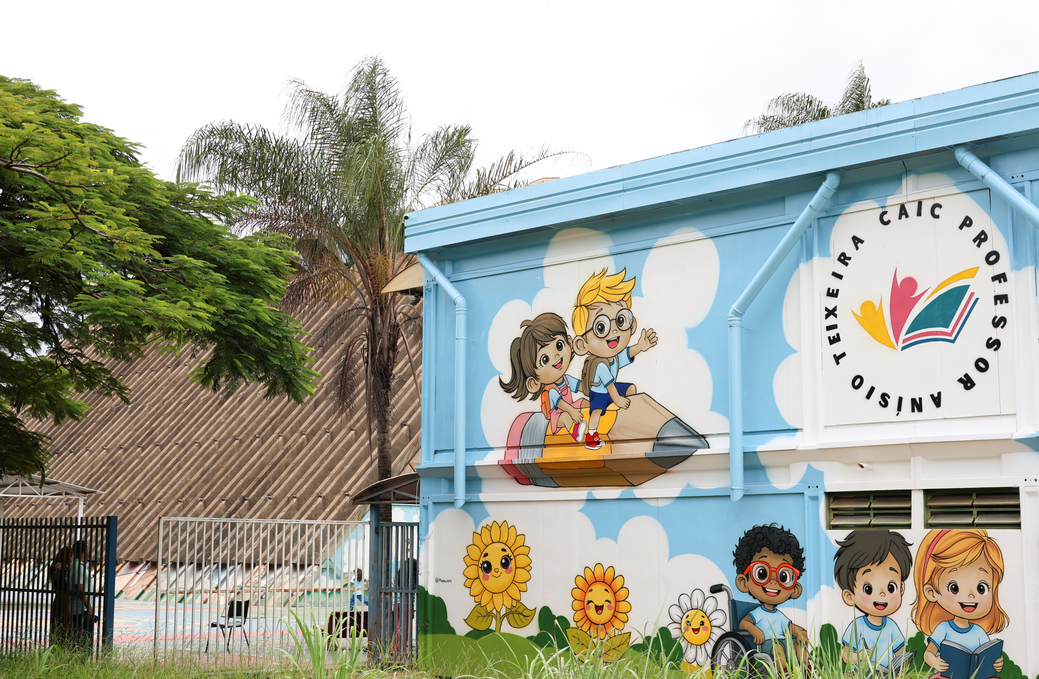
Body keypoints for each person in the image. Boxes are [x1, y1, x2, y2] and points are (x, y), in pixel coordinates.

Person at [572, 268, 657, 450]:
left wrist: (640, 347)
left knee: (631, 389)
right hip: (599, 392)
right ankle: (591, 436)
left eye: (620, 320)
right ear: (582, 344)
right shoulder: (600, 364)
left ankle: (630, 424)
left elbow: (626, 354)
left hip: (610, 390)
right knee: (596, 411)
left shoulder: (613, 358)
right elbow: (610, 386)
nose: (614, 330)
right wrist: (617, 400)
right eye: (601, 327)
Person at [911, 529, 1008, 677]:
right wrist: (935, 662)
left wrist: (996, 662)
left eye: (981, 588)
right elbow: (928, 653)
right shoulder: (943, 628)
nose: (971, 595)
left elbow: (985, 656)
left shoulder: (979, 632)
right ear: (932, 592)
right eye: (954, 588)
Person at [834, 530, 915, 674]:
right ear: (849, 596)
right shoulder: (857, 626)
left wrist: (903, 664)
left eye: (891, 587)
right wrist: (860, 656)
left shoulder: (891, 626)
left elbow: (900, 652)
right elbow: (846, 656)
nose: (882, 594)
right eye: (868, 589)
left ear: (901, 588)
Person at [500, 312, 587, 443]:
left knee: (584, 402)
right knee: (565, 417)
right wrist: (572, 411)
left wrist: (594, 390)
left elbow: (580, 386)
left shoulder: (566, 379)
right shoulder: (550, 390)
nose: (556, 356)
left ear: (569, 342)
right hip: (558, 415)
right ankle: (575, 433)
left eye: (559, 345)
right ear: (533, 382)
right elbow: (561, 404)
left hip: (572, 406)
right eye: (545, 359)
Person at [733, 524, 809, 666]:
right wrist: (754, 630)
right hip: (766, 644)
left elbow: (789, 627)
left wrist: (799, 633)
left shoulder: (780, 615)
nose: (773, 581)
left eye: (783, 576)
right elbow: (744, 623)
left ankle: (806, 670)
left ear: (795, 589)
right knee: (778, 648)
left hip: (784, 641)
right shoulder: (757, 613)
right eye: (762, 573)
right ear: (743, 582)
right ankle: (783, 672)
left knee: (800, 645)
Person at [67, 540, 95, 652]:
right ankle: (82, 660)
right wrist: (89, 607)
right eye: (88, 550)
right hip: (81, 609)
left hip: (82, 609)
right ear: (83, 551)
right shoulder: (77, 567)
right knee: (84, 641)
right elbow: (80, 589)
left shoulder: (79, 566)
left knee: (82, 640)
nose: (89, 552)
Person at [48, 546, 74, 646]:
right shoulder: (64, 570)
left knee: (57, 624)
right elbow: (68, 584)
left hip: (58, 598)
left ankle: (56, 645)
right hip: (65, 599)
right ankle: (64, 645)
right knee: (66, 624)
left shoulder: (56, 568)